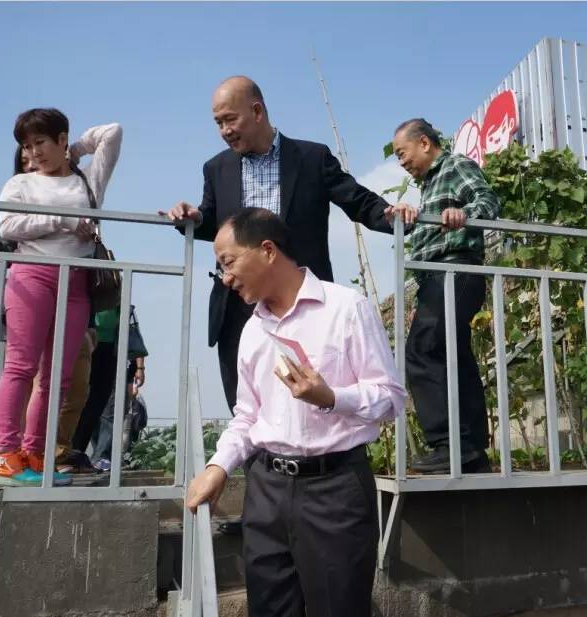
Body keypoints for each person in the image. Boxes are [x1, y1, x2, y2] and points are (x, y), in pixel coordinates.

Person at [186, 208, 405, 617]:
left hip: (334, 490)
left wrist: (331, 397)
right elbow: (247, 416)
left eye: (228, 263)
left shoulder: (346, 308)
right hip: (266, 491)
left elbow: (390, 398)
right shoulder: (253, 330)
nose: (225, 278)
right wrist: (218, 467)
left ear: (267, 250)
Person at [160, 75, 392, 415]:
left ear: (257, 111)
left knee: (311, 398)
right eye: (218, 123)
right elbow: (213, 222)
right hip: (238, 304)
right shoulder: (216, 168)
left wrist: (396, 218)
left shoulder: (312, 157)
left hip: (303, 304)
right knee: (247, 406)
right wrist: (192, 218)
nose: (224, 130)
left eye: (230, 119)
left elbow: (358, 200)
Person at [0, 110, 122, 487]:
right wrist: (61, 220)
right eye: (27, 145)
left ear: (61, 139)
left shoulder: (86, 180)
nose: (34, 152)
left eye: (41, 142)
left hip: (76, 283)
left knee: (57, 378)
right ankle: (4, 455)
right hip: (31, 275)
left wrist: (74, 151)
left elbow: (112, 132)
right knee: (20, 366)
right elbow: (8, 226)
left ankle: (35, 454)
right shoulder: (20, 183)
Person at [385, 118, 500, 474]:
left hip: (454, 269)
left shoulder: (454, 166)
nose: (401, 162)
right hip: (437, 277)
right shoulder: (429, 185)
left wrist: (464, 214)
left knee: (423, 350)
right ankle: (471, 449)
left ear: (424, 143)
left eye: (402, 153)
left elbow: (488, 201)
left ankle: (448, 444)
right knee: (454, 355)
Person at [71, 305, 146, 471]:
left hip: (113, 354)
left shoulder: (124, 305)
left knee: (107, 408)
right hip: (87, 346)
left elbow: (134, 335)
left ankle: (99, 455)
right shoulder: (88, 298)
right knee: (87, 406)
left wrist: (139, 368)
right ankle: (84, 453)